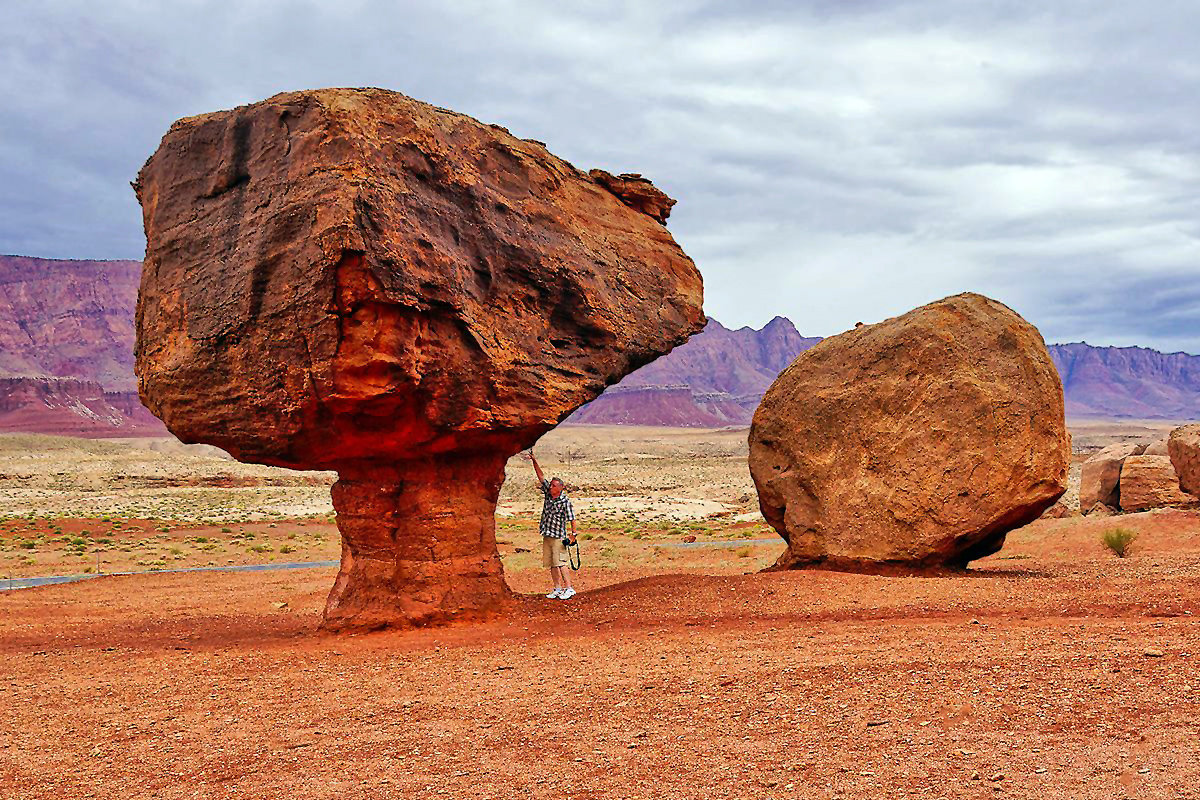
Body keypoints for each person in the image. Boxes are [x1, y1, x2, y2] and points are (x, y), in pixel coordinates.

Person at [524, 450, 577, 600]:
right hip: (547, 534)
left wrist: (573, 535)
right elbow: (541, 477)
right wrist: (534, 460)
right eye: (551, 485)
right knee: (552, 563)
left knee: (561, 562)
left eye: (553, 486)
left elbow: (572, 518)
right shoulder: (548, 495)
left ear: (560, 488)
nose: (550, 487)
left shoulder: (564, 501)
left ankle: (569, 588)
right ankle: (557, 588)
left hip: (558, 536)